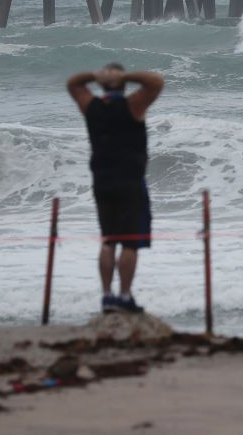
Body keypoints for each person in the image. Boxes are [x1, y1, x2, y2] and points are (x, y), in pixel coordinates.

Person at [67, 63, 164, 314]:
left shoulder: (91, 106)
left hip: (102, 180)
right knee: (130, 242)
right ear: (123, 84)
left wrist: (93, 74)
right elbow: (155, 81)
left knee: (108, 240)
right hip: (130, 181)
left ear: (100, 85)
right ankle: (124, 296)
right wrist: (127, 75)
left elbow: (73, 83)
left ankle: (107, 296)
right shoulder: (133, 105)